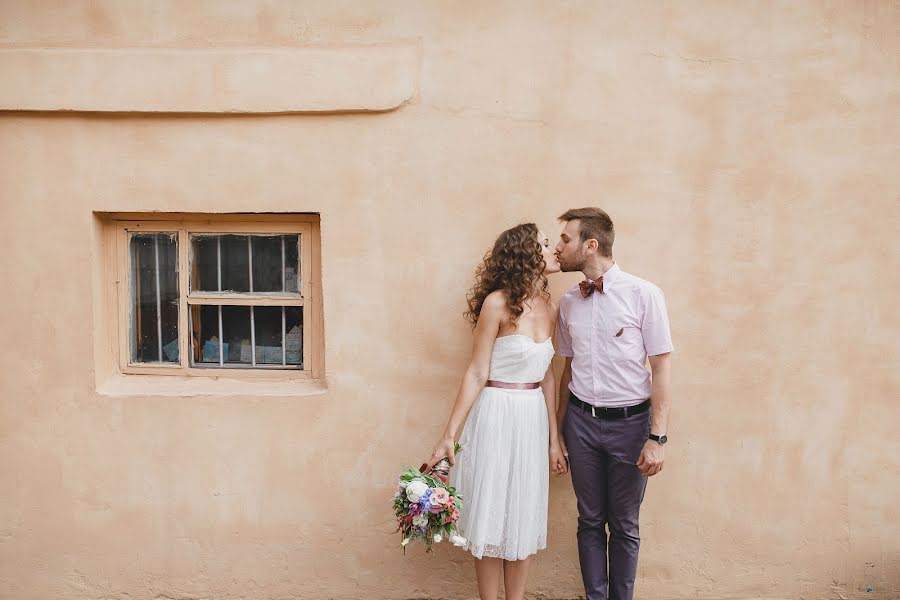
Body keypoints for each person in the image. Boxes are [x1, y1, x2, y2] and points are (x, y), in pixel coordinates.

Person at [426, 223, 568, 600]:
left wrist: (555, 439)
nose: (554, 249)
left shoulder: (550, 306)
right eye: (545, 244)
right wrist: (448, 436)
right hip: (495, 415)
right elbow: (476, 371)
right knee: (490, 513)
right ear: (526, 253)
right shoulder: (497, 303)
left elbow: (549, 375)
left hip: (531, 418)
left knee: (522, 512)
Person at [554, 207, 674, 600]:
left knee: (624, 524)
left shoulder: (644, 294)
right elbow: (565, 372)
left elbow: (661, 369)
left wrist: (657, 437)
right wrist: (557, 432)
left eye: (566, 240)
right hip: (581, 423)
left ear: (591, 245)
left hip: (631, 425)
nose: (559, 248)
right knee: (589, 520)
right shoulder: (570, 302)